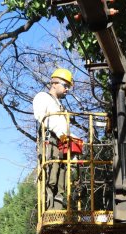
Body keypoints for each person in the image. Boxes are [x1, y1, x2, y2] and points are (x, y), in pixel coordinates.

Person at [33, 68, 76, 210]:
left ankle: (58, 212)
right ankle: (48, 212)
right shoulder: (42, 97)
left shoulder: (61, 106)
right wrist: (59, 132)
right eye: (66, 86)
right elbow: (42, 117)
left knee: (61, 180)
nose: (67, 90)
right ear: (55, 83)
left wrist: (72, 139)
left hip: (61, 144)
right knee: (50, 178)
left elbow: (63, 126)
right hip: (50, 142)